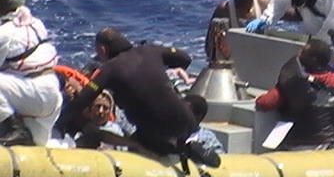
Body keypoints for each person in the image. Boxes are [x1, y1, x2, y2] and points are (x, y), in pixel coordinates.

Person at [56, 27, 219, 167]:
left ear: (103, 50)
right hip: (186, 121)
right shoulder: (151, 50)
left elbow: (82, 101)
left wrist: (59, 124)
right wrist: (159, 68)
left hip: (155, 132)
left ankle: (180, 151)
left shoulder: (109, 69)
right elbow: (185, 59)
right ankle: (185, 147)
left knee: (132, 143)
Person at [255, 38, 334, 150]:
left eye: (303, 52)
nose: (299, 54)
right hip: (328, 144)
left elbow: (265, 103)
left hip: (298, 145)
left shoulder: (294, 81)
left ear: (313, 60)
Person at [0, 0, 63, 146]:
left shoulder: (5, 32)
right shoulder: (34, 23)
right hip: (52, 95)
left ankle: (15, 129)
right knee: (36, 146)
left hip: (35, 94)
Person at [205, 0, 271, 60]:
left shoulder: (265, 5)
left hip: (258, 62)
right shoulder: (224, 9)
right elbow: (210, 47)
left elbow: (295, 15)